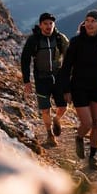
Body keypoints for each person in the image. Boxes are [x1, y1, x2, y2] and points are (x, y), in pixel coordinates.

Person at [58, 9, 97, 170]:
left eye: (93, 21)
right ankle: (79, 137)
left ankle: (92, 157)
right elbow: (66, 67)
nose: (89, 24)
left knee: (96, 123)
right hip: (78, 87)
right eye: (87, 20)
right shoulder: (76, 42)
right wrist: (66, 90)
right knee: (88, 123)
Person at [20, 12, 69, 148]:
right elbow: (25, 59)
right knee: (45, 109)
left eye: (51, 23)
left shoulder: (60, 39)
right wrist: (27, 81)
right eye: (45, 23)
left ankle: (56, 119)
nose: (48, 26)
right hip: (41, 79)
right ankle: (50, 135)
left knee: (63, 107)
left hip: (58, 78)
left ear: (54, 24)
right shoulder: (34, 40)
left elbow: (70, 57)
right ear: (40, 25)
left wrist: (69, 77)